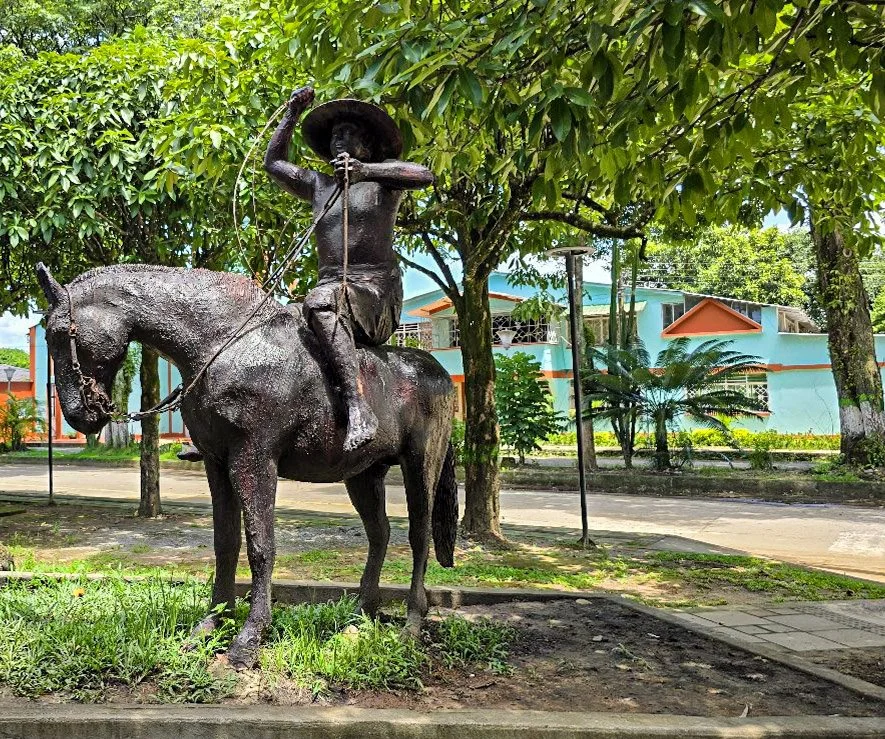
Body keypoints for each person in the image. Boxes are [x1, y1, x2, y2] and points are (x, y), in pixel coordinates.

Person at [178, 87, 434, 462]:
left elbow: (423, 173)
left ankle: (357, 407)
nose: (338, 141)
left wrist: (367, 171)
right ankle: (226, 424)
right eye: (334, 136)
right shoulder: (320, 185)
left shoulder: (383, 183)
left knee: (318, 300)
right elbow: (274, 164)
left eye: (347, 134)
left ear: (367, 143)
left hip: (374, 294)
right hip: (331, 295)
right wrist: (291, 115)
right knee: (266, 324)